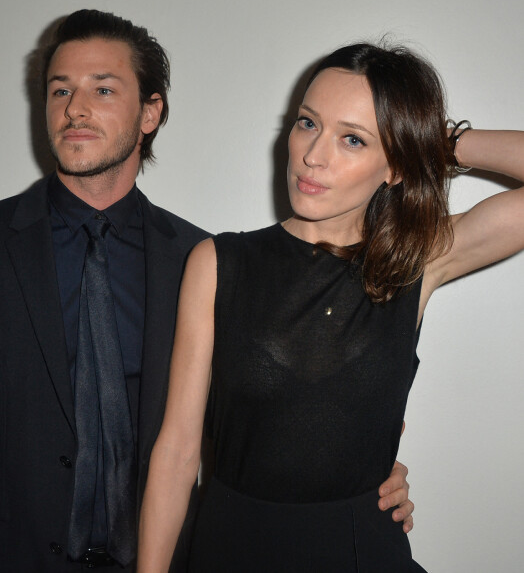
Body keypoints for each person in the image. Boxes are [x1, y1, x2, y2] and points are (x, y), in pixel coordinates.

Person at [0, 11, 414, 573]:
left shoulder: (202, 261)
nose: (74, 108)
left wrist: (363, 477)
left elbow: (265, 416)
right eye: (61, 88)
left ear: (151, 111)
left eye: (103, 88)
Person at [137, 41, 524, 572]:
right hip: (232, 548)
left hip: (361, 552)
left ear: (393, 167)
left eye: (353, 139)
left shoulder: (418, 263)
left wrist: (436, 141)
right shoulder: (218, 262)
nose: (314, 155)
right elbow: (178, 452)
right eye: (306, 123)